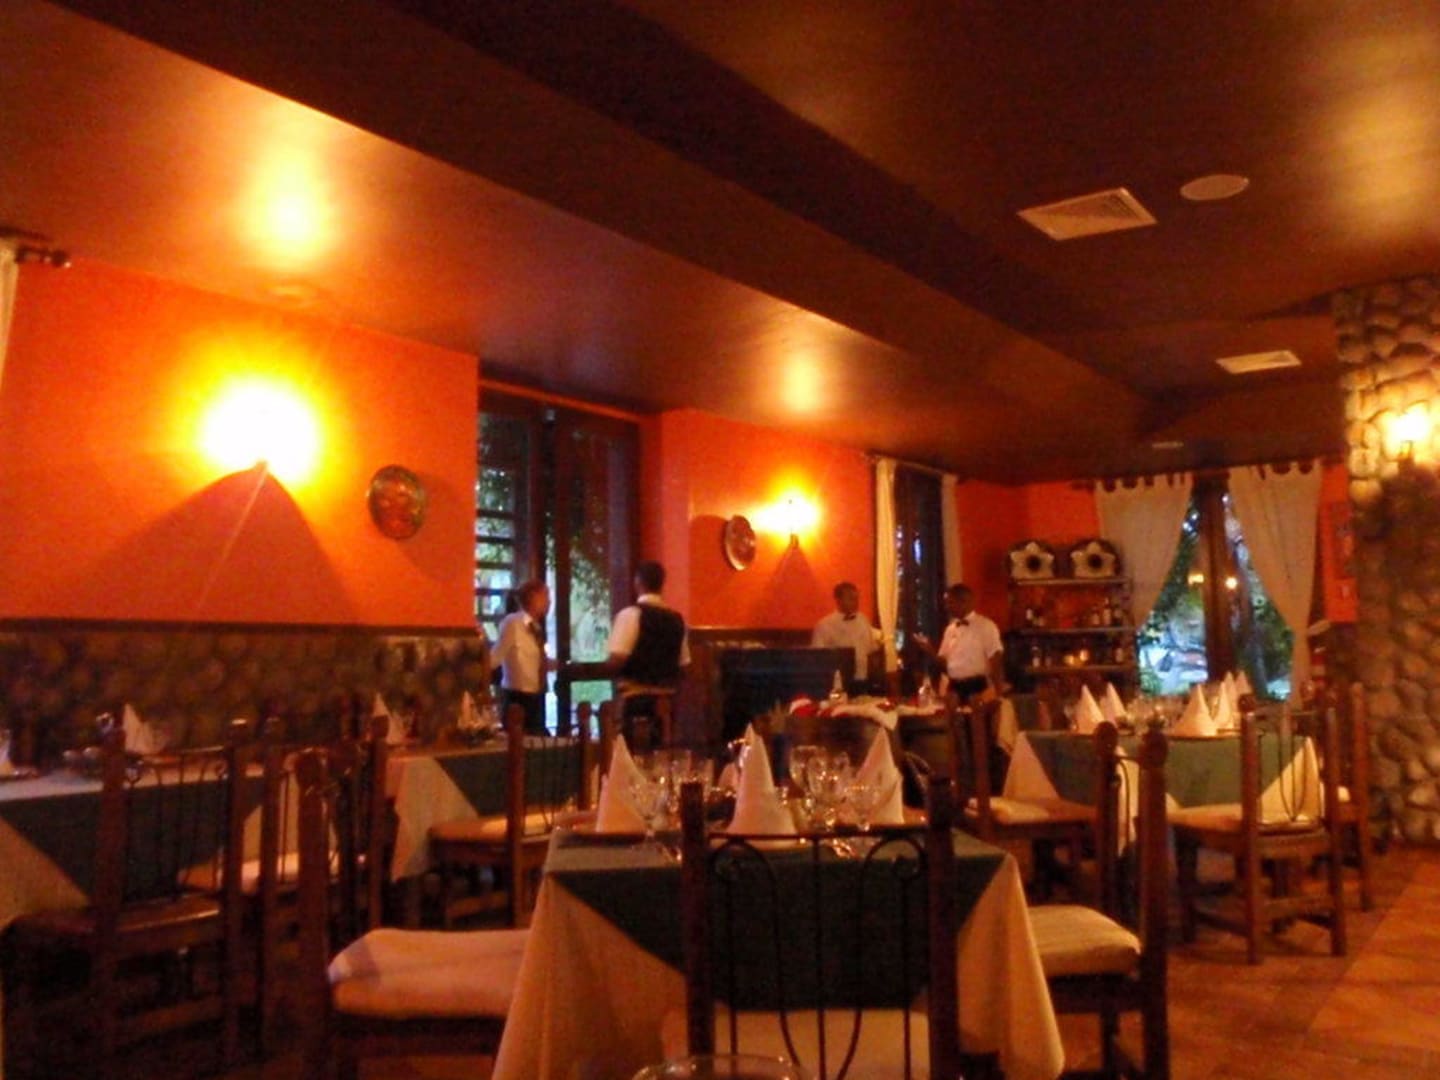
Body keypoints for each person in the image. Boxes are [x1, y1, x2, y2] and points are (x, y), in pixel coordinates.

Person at [601, 560, 689, 745]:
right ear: (662, 584)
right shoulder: (677, 620)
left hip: (636, 700)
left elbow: (617, 658)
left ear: (637, 582)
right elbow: (684, 665)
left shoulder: (630, 615)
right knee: (662, 753)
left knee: (632, 754)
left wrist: (601, 669)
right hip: (667, 703)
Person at [912, 583, 1007, 702]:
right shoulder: (950, 630)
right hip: (954, 687)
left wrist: (998, 694)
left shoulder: (986, 626)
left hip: (977, 686)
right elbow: (944, 665)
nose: (946, 607)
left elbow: (996, 661)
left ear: (964, 602)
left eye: (950, 603)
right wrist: (929, 649)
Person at [490, 579, 554, 735]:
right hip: (517, 697)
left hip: (535, 696)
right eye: (545, 596)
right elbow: (496, 656)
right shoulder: (513, 623)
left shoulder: (536, 627)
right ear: (533, 597)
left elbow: (532, 658)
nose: (549, 602)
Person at [811, 581, 878, 695]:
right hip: (838, 682)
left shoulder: (863, 620)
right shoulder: (824, 625)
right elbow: (818, 656)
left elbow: (870, 649)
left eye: (857, 598)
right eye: (851, 598)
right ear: (838, 600)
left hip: (862, 678)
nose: (856, 602)